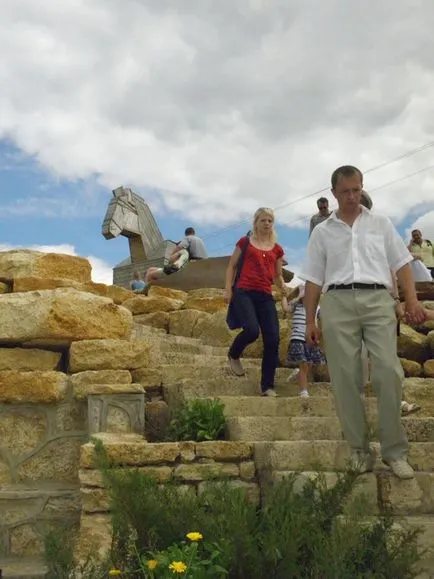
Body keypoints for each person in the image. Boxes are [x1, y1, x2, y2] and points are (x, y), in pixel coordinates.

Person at [301, 165, 425, 480]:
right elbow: (314, 279)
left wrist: (410, 300)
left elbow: (402, 264)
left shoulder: (381, 224)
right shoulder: (322, 231)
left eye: (357, 190)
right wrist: (310, 321)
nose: (353, 197)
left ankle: (394, 453)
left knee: (388, 371)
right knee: (344, 379)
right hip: (337, 303)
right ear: (334, 193)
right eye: (346, 192)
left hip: (377, 300)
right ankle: (359, 451)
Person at [359, 191, 421, 416]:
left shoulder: (380, 234)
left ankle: (396, 402)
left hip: (381, 301)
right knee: (360, 357)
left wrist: (396, 301)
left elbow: (392, 270)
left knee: (385, 356)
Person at [224, 207, 288, 397]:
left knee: (273, 339)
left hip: (265, 295)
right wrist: (228, 289)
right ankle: (234, 354)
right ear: (256, 223)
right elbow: (232, 266)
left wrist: (282, 286)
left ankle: (267, 386)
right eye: (263, 220)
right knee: (252, 330)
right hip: (244, 291)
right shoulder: (245, 242)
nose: (267, 224)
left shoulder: (277, 249)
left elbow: (277, 276)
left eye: (270, 221)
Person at [282, 283, 326, 398]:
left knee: (309, 365)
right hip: (298, 339)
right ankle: (303, 391)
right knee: (304, 364)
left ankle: (298, 374)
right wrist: (284, 297)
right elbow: (286, 308)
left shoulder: (317, 308)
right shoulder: (297, 305)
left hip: (311, 340)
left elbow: (324, 318)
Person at [143, 227, 208, 291]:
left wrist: (172, 256)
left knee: (150, 274)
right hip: (201, 266)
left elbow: (178, 248)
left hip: (183, 268)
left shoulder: (187, 241)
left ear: (186, 234)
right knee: (150, 269)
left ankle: (145, 292)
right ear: (194, 233)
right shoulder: (200, 241)